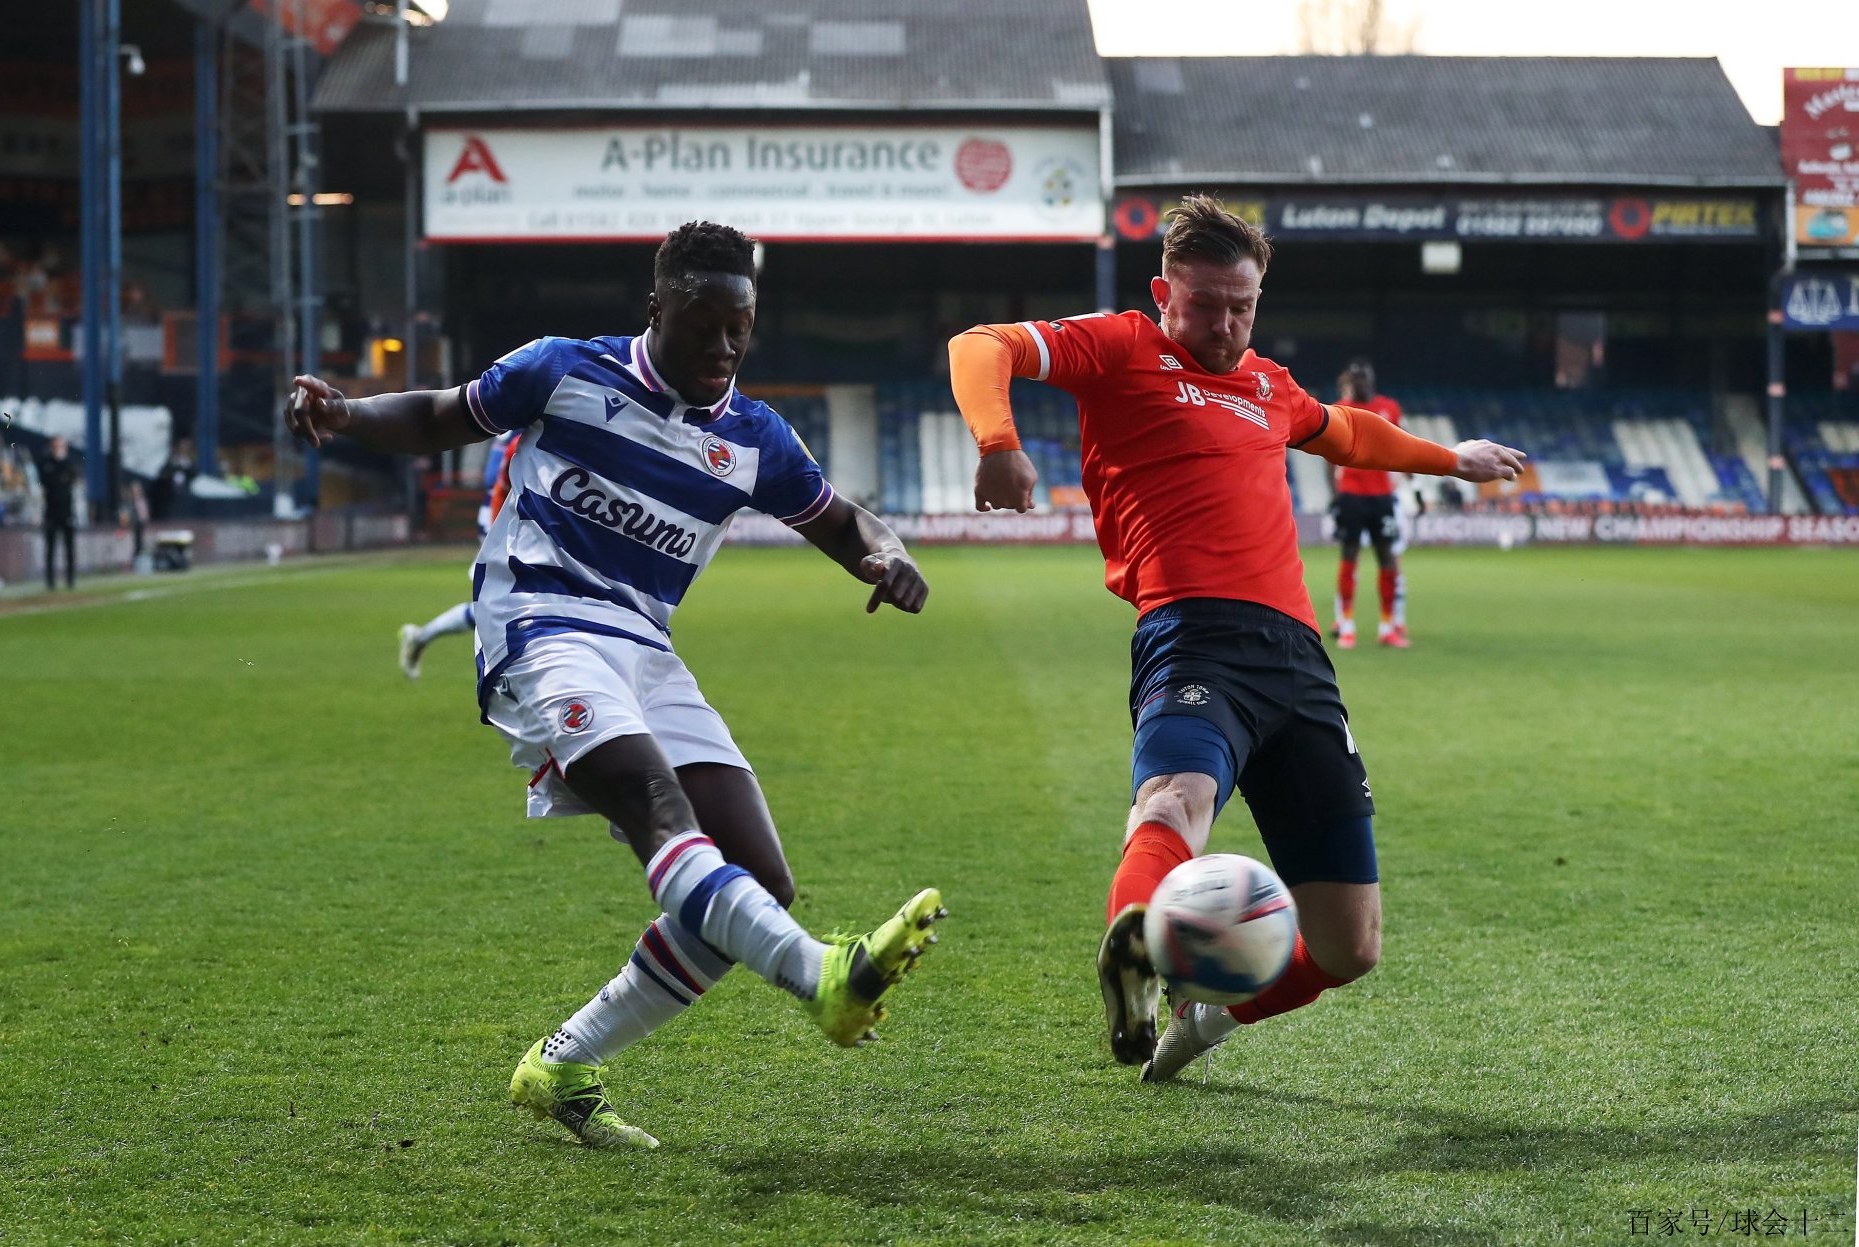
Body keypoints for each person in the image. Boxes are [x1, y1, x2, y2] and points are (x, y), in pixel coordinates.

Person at [286, 220, 946, 1149]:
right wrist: (349, 414)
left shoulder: (755, 438)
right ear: (657, 307)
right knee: (657, 806)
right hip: (538, 623)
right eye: (703, 322)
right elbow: (441, 414)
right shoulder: (563, 370)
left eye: (740, 327)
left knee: (759, 874)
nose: (723, 346)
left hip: (644, 645)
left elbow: (844, 521)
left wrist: (888, 554)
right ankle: (821, 978)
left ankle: (561, 1062)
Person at [947, 195, 1523, 1082]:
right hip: (1192, 634)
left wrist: (1454, 458)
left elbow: (1346, 430)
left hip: (1300, 661)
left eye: (1242, 306)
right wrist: (998, 438)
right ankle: (1136, 957)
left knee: (1349, 944)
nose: (1224, 324)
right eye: (1206, 303)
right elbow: (981, 344)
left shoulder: (1267, 384)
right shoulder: (1121, 345)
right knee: (1175, 803)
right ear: (1161, 292)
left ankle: (1202, 1022)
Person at [398, 431, 520, 680]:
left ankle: (421, 636)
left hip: (515, 520)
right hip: (504, 521)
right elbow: (492, 479)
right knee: (506, 606)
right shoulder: (519, 424)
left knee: (500, 607)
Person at [1326, 359, 1412, 648]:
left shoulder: (1389, 408)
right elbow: (1329, 456)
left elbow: (1402, 445)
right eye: (1356, 379)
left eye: (1365, 378)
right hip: (1351, 494)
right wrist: (1334, 495)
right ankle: (1346, 625)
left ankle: (1387, 627)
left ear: (1372, 381)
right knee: (1349, 556)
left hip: (1382, 496)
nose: (1361, 383)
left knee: (1387, 558)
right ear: (1350, 381)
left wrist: (1412, 480)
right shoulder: (1340, 409)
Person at [34, 436, 80, 590]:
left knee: (69, 547)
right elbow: (46, 480)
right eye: (56, 446)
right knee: (50, 548)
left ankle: (70, 580)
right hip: (51, 511)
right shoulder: (46, 463)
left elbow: (71, 478)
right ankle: (50, 581)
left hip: (67, 510)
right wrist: (60, 478)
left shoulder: (69, 463)